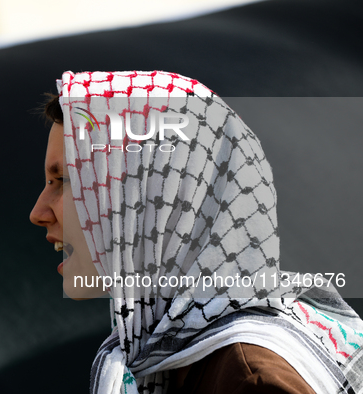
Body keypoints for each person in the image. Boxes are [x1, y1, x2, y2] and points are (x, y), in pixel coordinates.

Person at [30, 71, 363, 394]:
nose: (38, 213)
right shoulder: (177, 356)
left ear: (151, 198)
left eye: (67, 181)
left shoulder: (250, 380)